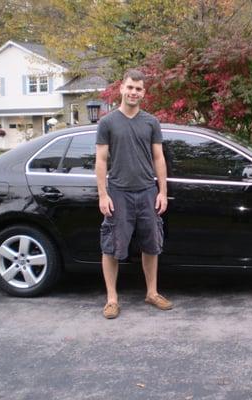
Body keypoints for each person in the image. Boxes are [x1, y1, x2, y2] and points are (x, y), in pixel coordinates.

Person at [95, 69, 172, 319]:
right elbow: (101, 160)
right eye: (130, 87)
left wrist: (162, 191)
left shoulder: (151, 122)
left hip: (147, 192)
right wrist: (103, 194)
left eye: (138, 89)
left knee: (152, 245)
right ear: (121, 88)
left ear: (143, 93)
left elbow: (158, 158)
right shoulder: (107, 122)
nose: (133, 92)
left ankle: (152, 293)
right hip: (118, 193)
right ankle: (112, 299)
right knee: (112, 247)